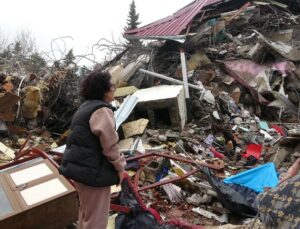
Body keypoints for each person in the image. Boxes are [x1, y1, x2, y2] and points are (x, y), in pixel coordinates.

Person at [59, 70, 126, 229]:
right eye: (111, 86)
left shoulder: (85, 107)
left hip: (80, 172)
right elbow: (110, 145)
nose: (113, 89)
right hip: (93, 174)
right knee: (96, 219)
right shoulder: (102, 110)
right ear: (103, 89)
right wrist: (120, 168)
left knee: (86, 213)